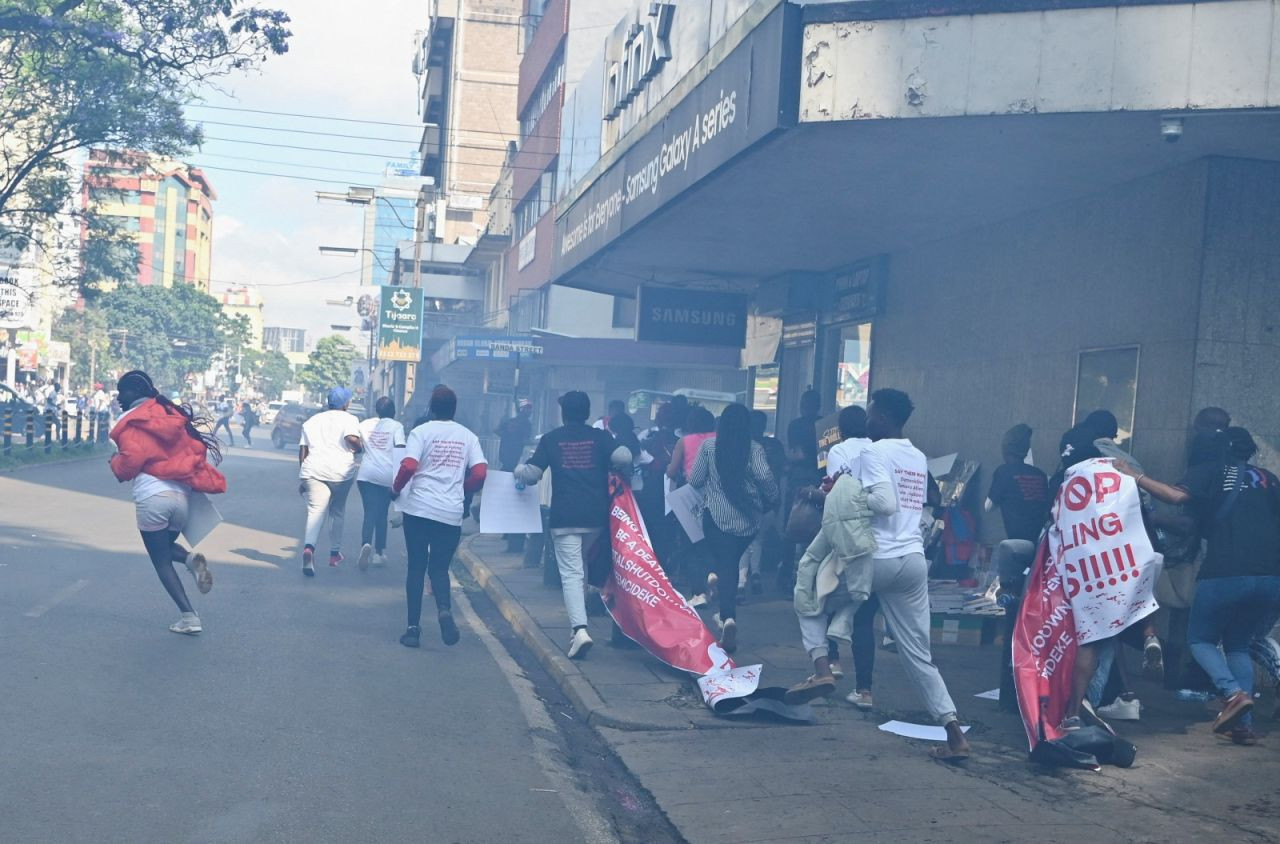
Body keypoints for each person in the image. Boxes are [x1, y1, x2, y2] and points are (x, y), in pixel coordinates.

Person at [1119, 427, 1280, 746]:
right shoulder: (1269, 479)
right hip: (1270, 577)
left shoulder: (1211, 470)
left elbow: (1177, 496)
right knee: (1237, 645)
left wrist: (1135, 475)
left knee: (1201, 639)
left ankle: (1232, 694)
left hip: (1225, 571)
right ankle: (1242, 725)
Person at [857, 388, 969, 760]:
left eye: (871, 414)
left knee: (814, 596)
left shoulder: (872, 452)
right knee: (919, 655)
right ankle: (953, 731)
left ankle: (824, 666)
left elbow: (878, 503)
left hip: (877, 558)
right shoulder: (918, 457)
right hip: (912, 561)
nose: (867, 420)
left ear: (884, 418)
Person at [516, 391, 632, 660]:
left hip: (565, 517)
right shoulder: (600, 437)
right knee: (580, 568)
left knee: (571, 573)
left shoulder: (552, 439)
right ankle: (577, 627)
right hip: (596, 517)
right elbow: (624, 457)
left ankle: (580, 629)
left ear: (563, 413)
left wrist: (518, 471)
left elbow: (532, 475)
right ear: (587, 412)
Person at [108, 370, 224, 634]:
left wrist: (114, 462)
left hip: (152, 497)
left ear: (136, 392)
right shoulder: (171, 416)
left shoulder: (133, 420)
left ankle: (189, 617)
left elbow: (130, 462)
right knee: (165, 547)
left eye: (121, 391)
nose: (118, 397)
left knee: (160, 561)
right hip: (181, 500)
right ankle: (190, 558)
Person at [391, 386, 486, 648]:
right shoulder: (468, 437)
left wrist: (396, 489)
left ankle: (412, 630)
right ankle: (444, 609)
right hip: (450, 512)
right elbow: (479, 474)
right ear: (454, 410)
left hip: (419, 508)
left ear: (431, 408)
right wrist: (460, 487)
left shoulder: (421, 432)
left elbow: (409, 465)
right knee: (440, 568)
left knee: (416, 567)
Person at [688, 403, 779, 653]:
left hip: (716, 518)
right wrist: (773, 498)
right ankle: (723, 608)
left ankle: (728, 617)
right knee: (731, 562)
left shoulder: (708, 447)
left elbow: (695, 480)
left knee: (724, 564)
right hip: (747, 520)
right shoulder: (755, 449)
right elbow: (765, 478)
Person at [298, 387, 363, 575]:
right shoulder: (349, 419)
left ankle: (309, 548)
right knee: (337, 510)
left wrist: (303, 478)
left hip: (312, 471)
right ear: (346, 403)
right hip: (340, 473)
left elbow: (303, 451)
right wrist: (359, 448)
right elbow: (351, 438)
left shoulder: (312, 421)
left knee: (315, 511)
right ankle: (334, 554)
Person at [667, 406, 717, 605]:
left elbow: (671, 472)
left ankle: (699, 592)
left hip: (690, 495)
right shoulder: (719, 438)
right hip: (717, 493)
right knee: (713, 541)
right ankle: (712, 574)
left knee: (691, 543)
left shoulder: (683, 442)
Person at [739, 409, 787, 597]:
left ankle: (742, 582)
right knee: (758, 540)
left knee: (743, 541)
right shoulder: (774, 445)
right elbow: (783, 470)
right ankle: (756, 574)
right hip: (769, 501)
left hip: (747, 499)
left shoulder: (742, 445)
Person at [356, 396, 406, 571]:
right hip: (386, 476)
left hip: (365, 475)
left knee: (369, 511)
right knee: (381, 513)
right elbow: (401, 449)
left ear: (377, 410)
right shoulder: (397, 426)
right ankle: (378, 553)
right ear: (393, 411)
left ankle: (365, 543)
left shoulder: (364, 425)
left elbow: (355, 441)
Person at [984, 423, 1049, 543]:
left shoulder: (1004, 471)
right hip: (1039, 542)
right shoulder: (1040, 474)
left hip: (1015, 543)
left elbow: (988, 507)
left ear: (1005, 449)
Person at [496, 400, 534, 553]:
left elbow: (497, 431)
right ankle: (510, 534)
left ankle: (507, 533)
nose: (530, 412)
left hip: (507, 464)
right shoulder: (524, 424)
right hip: (514, 466)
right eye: (528, 409)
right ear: (523, 410)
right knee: (514, 500)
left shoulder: (510, 422)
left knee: (508, 499)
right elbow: (525, 440)